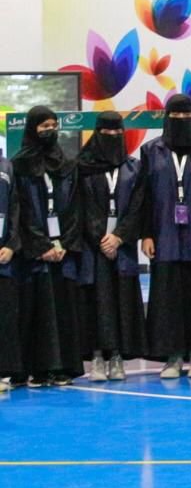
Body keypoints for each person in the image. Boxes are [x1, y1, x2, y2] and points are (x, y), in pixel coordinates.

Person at [139, 94, 191, 380]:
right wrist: (146, 234)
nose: (182, 120)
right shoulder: (151, 151)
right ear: (166, 118)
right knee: (167, 297)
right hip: (165, 236)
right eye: (176, 116)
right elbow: (144, 197)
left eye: (187, 115)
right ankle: (172, 356)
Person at [69, 112, 144, 382]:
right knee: (97, 301)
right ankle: (97, 355)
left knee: (121, 300)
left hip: (122, 247)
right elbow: (80, 207)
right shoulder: (82, 168)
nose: (112, 138)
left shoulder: (134, 168)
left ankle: (117, 355)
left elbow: (138, 206)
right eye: (106, 133)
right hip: (94, 247)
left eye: (117, 133)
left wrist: (119, 237)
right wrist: (102, 237)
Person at [13, 107, 79, 387]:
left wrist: (64, 243)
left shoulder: (66, 164)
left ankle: (61, 368)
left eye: (53, 125)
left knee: (63, 309)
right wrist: (41, 245)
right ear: (32, 128)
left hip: (62, 251)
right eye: (43, 126)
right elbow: (20, 210)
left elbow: (74, 207)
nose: (49, 130)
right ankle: (36, 369)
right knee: (37, 310)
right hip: (34, 254)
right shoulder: (18, 166)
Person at [0, 149, 20, 391]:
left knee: (4, 317)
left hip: (4, 258)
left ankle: (3, 371)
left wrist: (12, 246)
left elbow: (15, 209)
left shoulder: (7, 167)